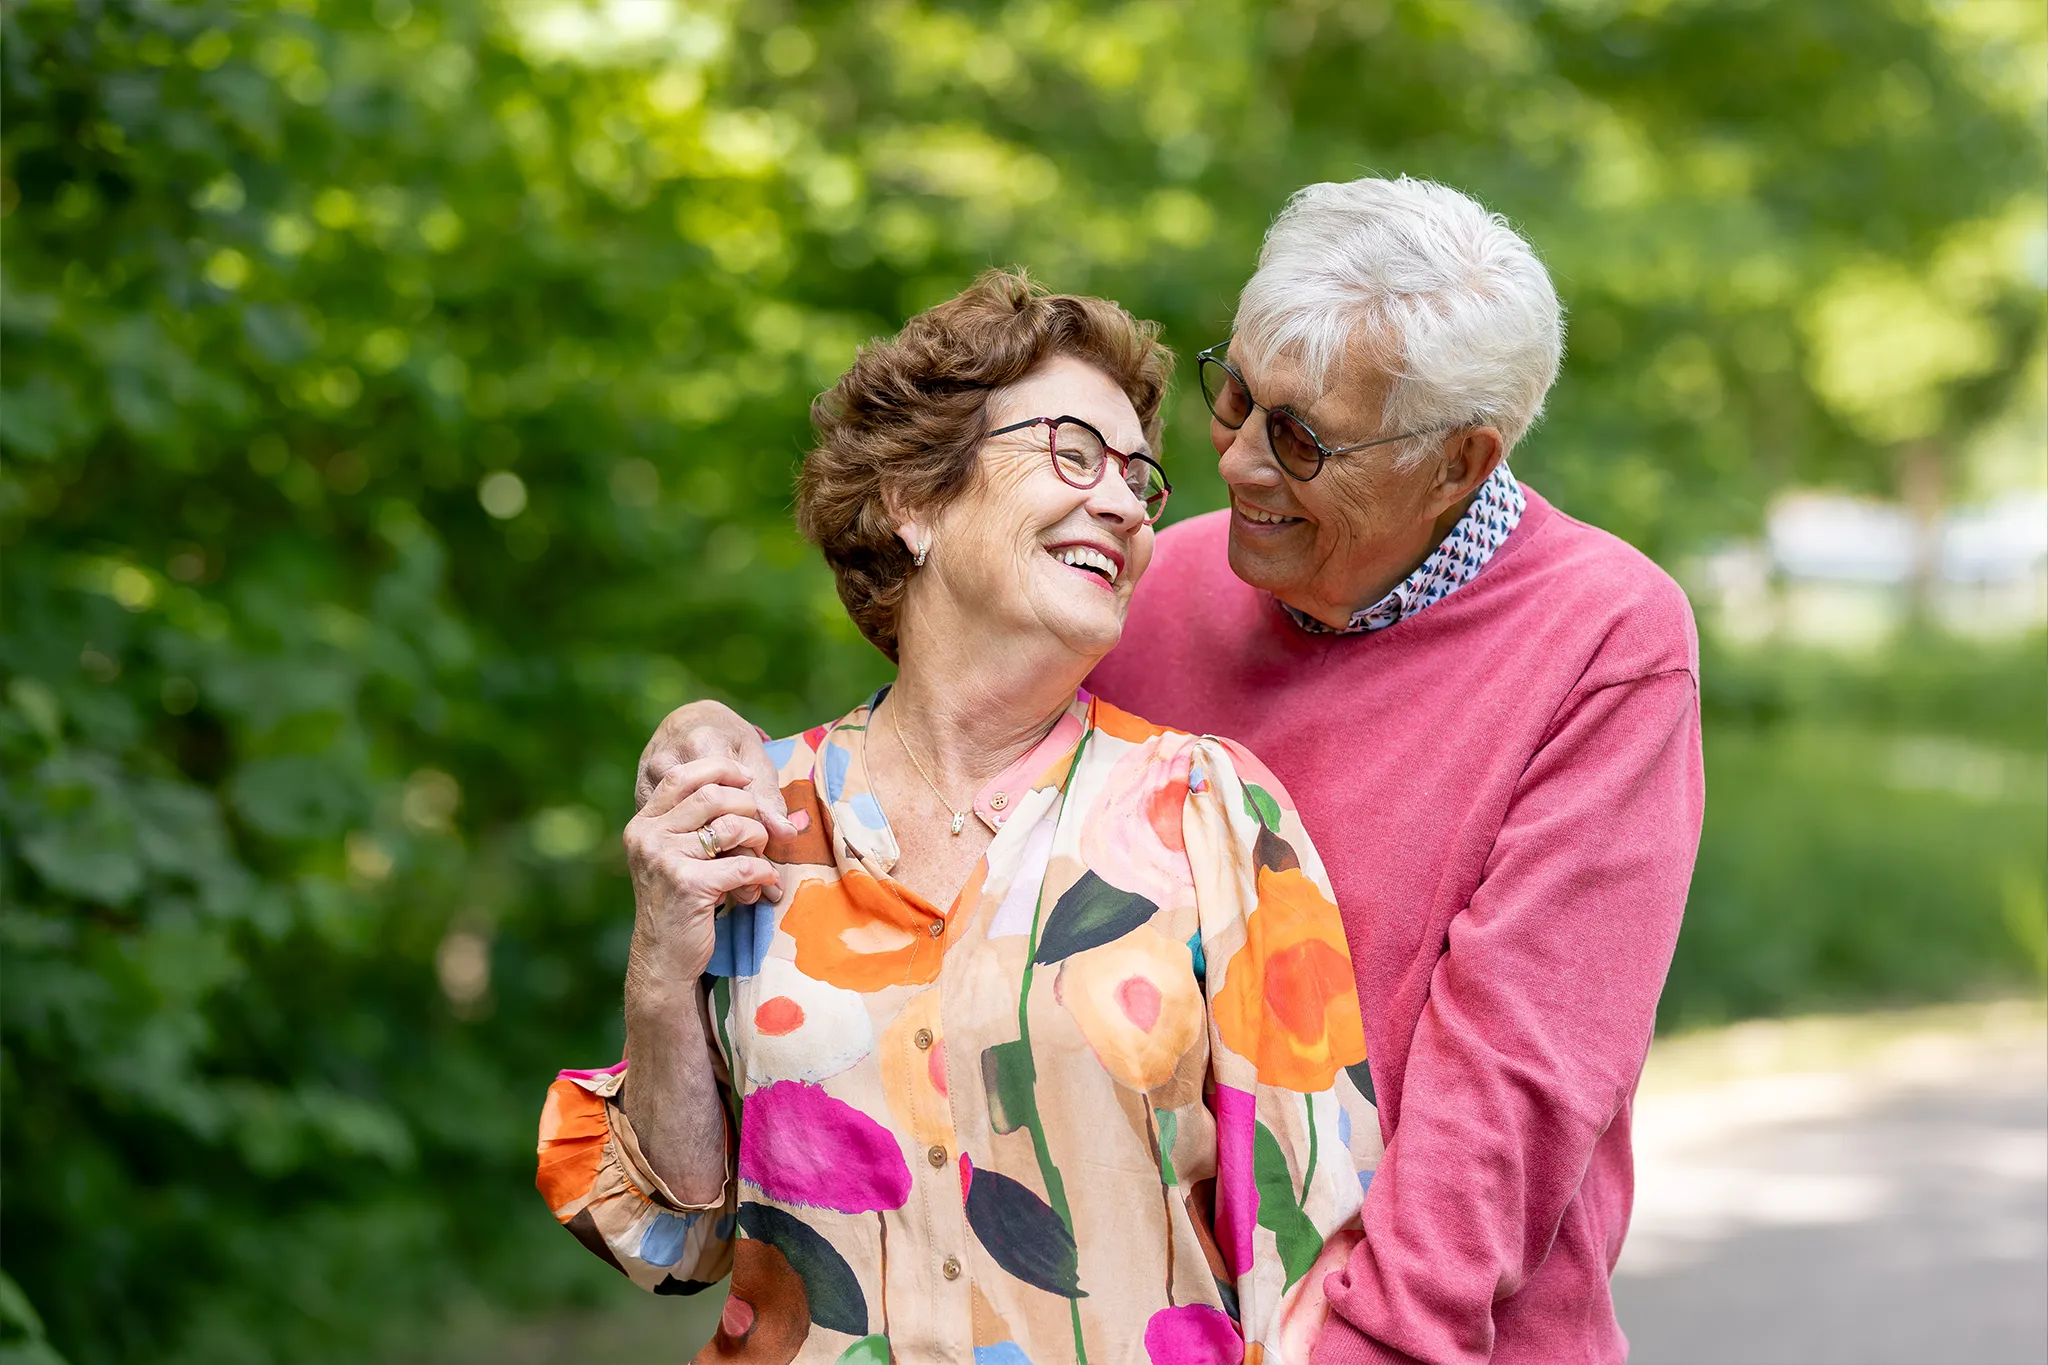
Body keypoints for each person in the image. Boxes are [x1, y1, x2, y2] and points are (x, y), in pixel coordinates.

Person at [641, 177, 1707, 1365]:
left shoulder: (1604, 640)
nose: (1239, 463)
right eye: (1234, 394)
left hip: (1439, 1334)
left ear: (1456, 461)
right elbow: (937, 766)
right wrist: (711, 743)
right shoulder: (1150, 588)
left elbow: (1515, 1089)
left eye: (1299, 437)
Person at [539, 271, 1382, 1364]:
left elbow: (1313, 1253)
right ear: (915, 500)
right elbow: (669, 1237)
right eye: (1072, 454)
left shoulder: (1207, 812)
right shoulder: (757, 815)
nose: (1125, 505)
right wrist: (659, 964)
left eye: (1139, 479)